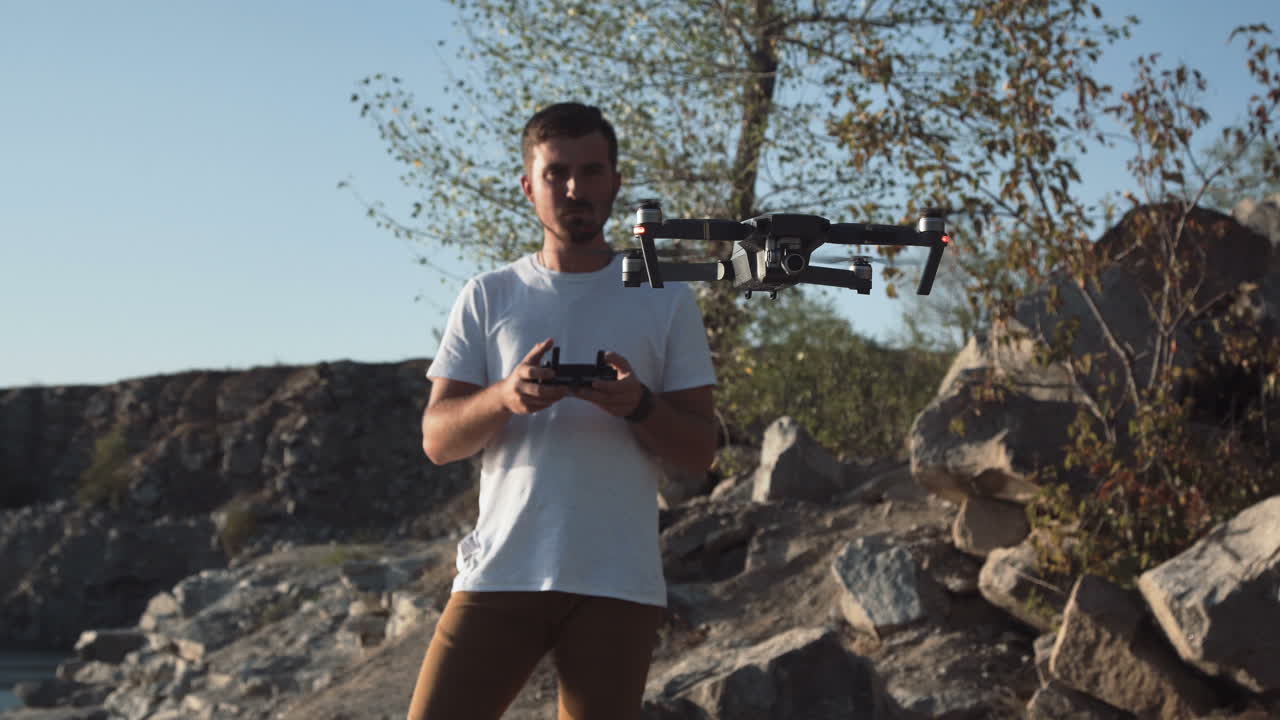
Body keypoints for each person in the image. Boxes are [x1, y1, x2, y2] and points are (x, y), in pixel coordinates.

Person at [407, 102, 718, 720]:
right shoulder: (488, 295)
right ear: (529, 187)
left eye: (592, 171)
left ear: (616, 183)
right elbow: (438, 440)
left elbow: (698, 453)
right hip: (501, 572)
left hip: (616, 581)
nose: (575, 189)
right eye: (556, 174)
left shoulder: (666, 298)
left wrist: (639, 406)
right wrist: (506, 397)